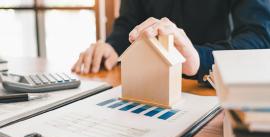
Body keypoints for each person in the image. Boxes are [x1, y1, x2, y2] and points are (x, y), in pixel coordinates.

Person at [72, 0, 270, 84]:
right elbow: (128, 22)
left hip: (212, 90)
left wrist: (200, 60)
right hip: (151, 81)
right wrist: (113, 46)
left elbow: (260, 37)